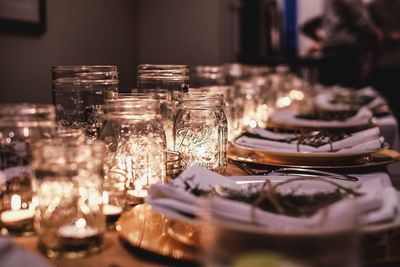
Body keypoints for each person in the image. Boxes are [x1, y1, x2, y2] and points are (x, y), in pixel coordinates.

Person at [320, 0, 380, 88]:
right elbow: (361, 20)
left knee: (332, 94)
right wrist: (376, 35)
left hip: (332, 46)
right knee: (349, 93)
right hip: (346, 49)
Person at [368, 0, 400, 121]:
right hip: (383, 62)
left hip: (384, 62)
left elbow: (373, 34)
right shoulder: (374, 7)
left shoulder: (374, 6)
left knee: (383, 108)